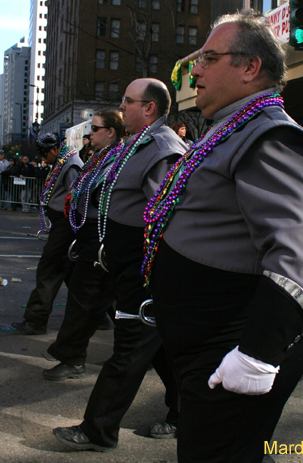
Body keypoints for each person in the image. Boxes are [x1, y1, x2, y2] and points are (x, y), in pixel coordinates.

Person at [143, 9, 303, 463]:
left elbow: (299, 259)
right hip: (203, 341)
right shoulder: (231, 130)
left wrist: (257, 353)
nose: (196, 69)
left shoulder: (272, 137)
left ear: (250, 68)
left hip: (232, 343)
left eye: (209, 57)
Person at [53, 78, 187, 452]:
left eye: (128, 101)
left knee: (129, 349)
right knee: (158, 349)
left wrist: (148, 271)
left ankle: (98, 429)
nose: (121, 106)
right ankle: (184, 414)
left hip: (143, 269)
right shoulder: (133, 145)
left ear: (150, 108)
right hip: (123, 262)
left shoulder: (162, 147)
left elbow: (165, 218)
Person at [43, 110, 125, 381]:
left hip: (105, 237)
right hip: (91, 235)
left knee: (85, 297)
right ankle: (73, 354)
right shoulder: (99, 157)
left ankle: (72, 356)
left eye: (96, 129)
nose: (90, 134)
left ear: (111, 131)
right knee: (97, 298)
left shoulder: (119, 158)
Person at [12, 133, 83, 335]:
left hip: (66, 225)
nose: (43, 159)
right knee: (73, 275)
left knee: (49, 270)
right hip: (63, 224)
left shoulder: (71, 164)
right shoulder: (64, 162)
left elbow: (76, 198)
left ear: (54, 149)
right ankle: (100, 315)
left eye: (45, 154)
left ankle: (36, 319)